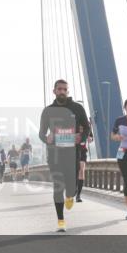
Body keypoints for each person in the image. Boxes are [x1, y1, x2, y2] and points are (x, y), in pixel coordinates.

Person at [39, 80, 91, 232]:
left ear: (68, 91)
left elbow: (87, 128)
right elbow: (41, 133)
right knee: (57, 186)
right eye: (59, 89)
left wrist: (80, 138)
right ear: (54, 91)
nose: (62, 91)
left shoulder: (77, 108)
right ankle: (60, 220)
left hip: (72, 153)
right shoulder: (47, 111)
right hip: (54, 154)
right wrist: (45, 138)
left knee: (71, 187)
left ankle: (71, 195)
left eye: (65, 89)